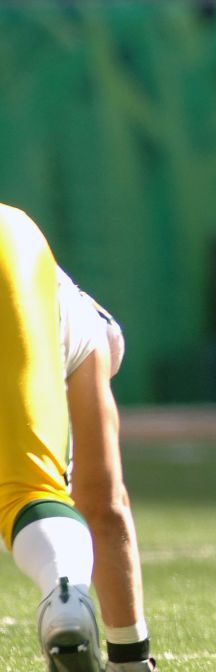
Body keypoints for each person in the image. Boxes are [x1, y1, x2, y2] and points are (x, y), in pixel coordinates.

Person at [1, 203, 102, 671]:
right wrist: (131, 656)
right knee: (30, 491)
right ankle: (64, 589)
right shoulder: (86, 322)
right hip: (10, 244)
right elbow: (107, 502)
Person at [58, 268, 157, 672]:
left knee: (48, 498)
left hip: (67, 327)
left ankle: (61, 604)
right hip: (70, 322)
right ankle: (127, 656)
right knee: (99, 499)